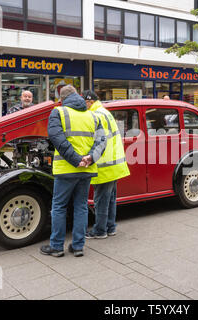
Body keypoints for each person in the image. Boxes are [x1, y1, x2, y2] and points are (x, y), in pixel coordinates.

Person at [40, 85, 107, 258]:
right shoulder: (93, 115)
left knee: (59, 207)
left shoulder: (58, 112)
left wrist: (76, 160)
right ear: (78, 96)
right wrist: (90, 158)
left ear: (61, 100)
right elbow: (102, 141)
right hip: (87, 169)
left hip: (66, 169)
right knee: (81, 207)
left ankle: (56, 246)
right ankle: (78, 246)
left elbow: (57, 139)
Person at [82, 90, 130, 239]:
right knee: (110, 199)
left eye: (84, 102)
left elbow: (94, 140)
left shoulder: (95, 115)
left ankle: (100, 230)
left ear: (89, 101)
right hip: (114, 164)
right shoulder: (105, 112)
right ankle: (110, 227)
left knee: (101, 200)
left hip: (104, 165)